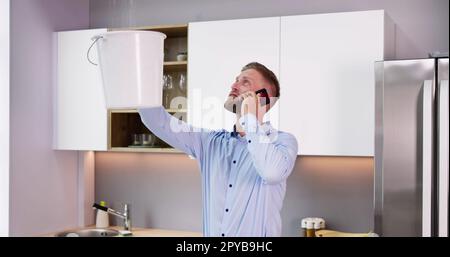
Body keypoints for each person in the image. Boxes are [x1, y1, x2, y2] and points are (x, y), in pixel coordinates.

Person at [138, 62, 298, 237]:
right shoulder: (210, 142)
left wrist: (250, 118)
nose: (233, 85)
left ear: (262, 98)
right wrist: (143, 74)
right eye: (236, 80)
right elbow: (156, 120)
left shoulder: (282, 142)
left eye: (245, 82)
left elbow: (271, 172)